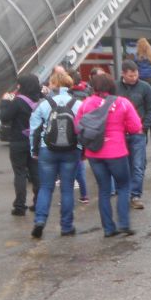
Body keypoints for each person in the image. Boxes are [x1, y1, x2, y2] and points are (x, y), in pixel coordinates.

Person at [75, 73, 142, 237]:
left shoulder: (86, 104)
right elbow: (135, 127)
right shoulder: (123, 103)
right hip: (116, 151)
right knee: (123, 186)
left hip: (94, 153)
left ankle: (108, 228)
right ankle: (124, 224)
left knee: (104, 190)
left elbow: (77, 126)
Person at [28, 70, 82, 239]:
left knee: (46, 187)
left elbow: (34, 130)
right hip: (71, 150)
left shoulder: (44, 104)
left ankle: (40, 221)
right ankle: (66, 227)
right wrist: (82, 149)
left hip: (47, 149)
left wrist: (34, 150)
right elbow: (82, 128)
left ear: (53, 84)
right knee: (67, 189)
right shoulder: (78, 104)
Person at [0, 73, 43, 216]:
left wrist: (5, 102)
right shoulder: (41, 101)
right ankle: (38, 203)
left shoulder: (18, 101)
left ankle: (20, 206)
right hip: (35, 141)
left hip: (19, 140)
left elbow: (4, 118)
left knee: (20, 173)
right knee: (36, 172)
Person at [116, 60, 151, 209]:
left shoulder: (145, 87)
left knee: (138, 166)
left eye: (136, 74)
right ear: (123, 74)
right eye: (131, 75)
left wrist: (144, 127)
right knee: (123, 165)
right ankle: (124, 193)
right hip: (119, 134)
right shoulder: (115, 87)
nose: (134, 78)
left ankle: (135, 196)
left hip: (138, 134)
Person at [68, 69, 90, 204]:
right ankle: (84, 194)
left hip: (69, 133)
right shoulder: (87, 92)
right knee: (80, 164)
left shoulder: (69, 97)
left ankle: (68, 196)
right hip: (82, 133)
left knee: (67, 167)